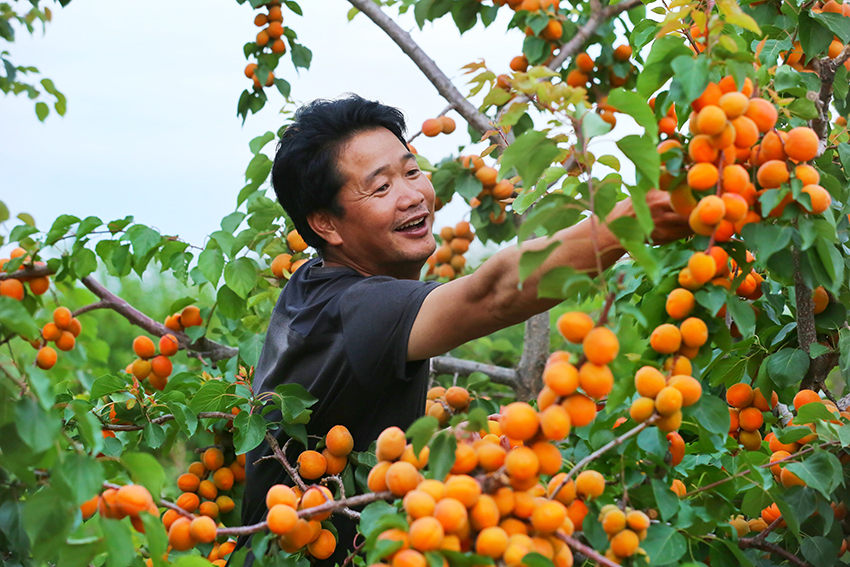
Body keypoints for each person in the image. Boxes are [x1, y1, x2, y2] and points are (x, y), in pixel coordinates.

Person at [236, 94, 690, 565]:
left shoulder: (314, 285)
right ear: (325, 224)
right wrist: (623, 225)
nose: (412, 196)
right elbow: (491, 295)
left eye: (411, 173)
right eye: (380, 188)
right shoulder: (357, 307)